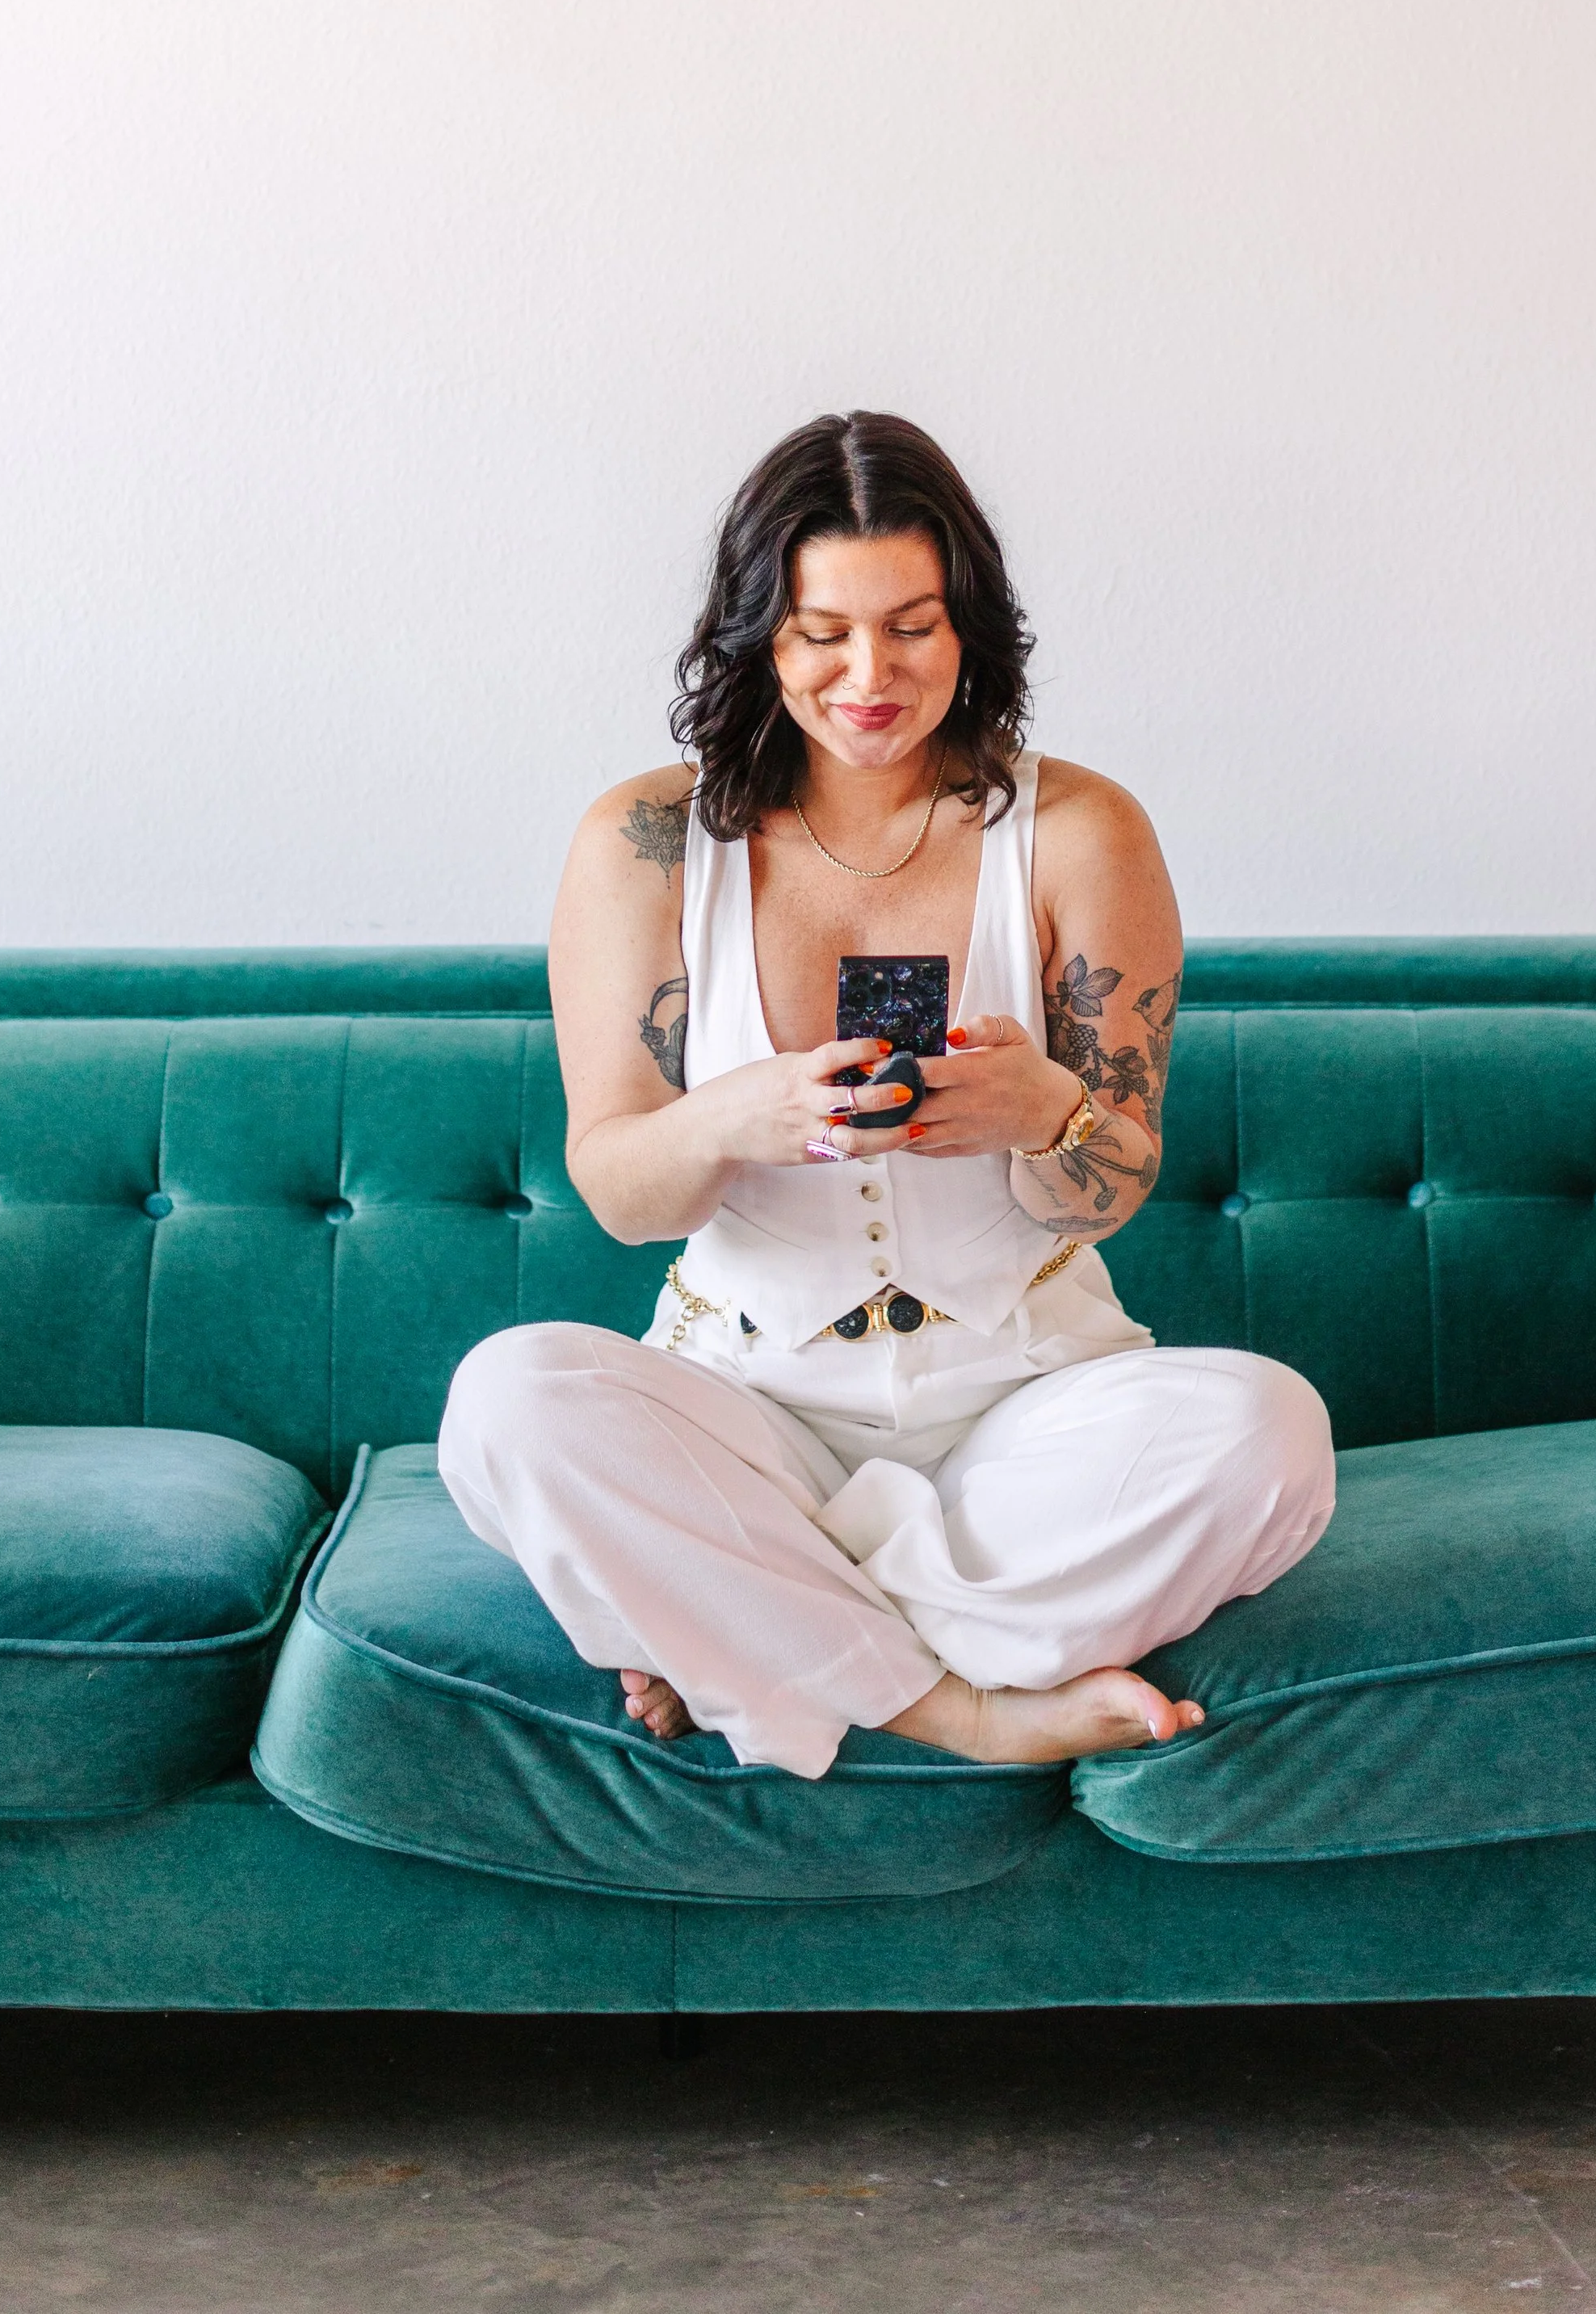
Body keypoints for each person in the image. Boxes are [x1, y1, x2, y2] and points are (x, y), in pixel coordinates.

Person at [439, 411, 1334, 1780]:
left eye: (912, 626)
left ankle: (737, 1621)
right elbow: (620, 1194)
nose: (871, 675)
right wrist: (734, 1118)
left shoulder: (1082, 830)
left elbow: (1115, 1180)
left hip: (1024, 1398)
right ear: (759, 636)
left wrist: (1046, 1112)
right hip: (748, 1398)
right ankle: (956, 1702)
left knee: (1273, 1438)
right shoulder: (647, 843)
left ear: (970, 625)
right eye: (822, 632)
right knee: (506, 1405)